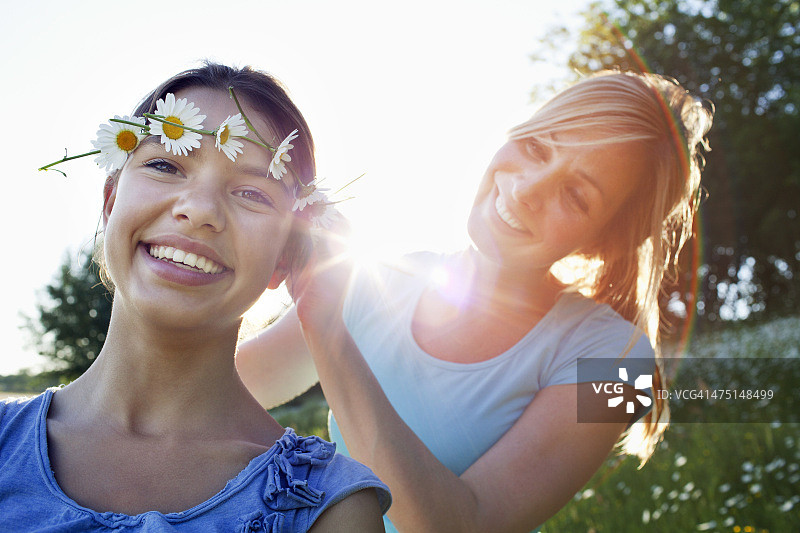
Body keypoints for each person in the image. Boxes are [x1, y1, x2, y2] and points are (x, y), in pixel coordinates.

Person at [236, 70, 713, 532]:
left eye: (576, 195)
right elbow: (219, 384)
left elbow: (464, 525)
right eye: (535, 147)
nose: (527, 189)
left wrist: (328, 333)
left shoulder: (621, 362)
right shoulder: (373, 279)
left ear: (604, 239)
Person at [0, 63, 390, 532]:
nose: (200, 209)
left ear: (286, 257)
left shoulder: (327, 506)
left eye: (252, 192)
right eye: (165, 164)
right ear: (110, 202)